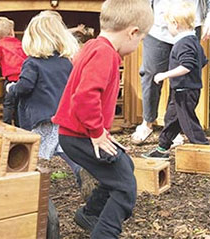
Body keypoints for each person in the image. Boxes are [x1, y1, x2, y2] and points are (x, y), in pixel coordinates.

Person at [52, 0, 153, 237]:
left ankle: (90, 214)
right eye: (141, 40)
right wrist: (97, 133)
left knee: (123, 165)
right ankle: (105, 233)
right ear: (132, 32)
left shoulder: (93, 46)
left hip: (75, 134)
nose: (139, 45)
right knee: (125, 187)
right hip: (81, 135)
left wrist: (99, 132)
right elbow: (85, 97)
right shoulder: (104, 54)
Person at [6, 10, 95, 199]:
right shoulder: (65, 62)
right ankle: (83, 172)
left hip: (41, 119)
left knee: (35, 155)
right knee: (66, 151)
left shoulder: (32, 63)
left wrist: (11, 89)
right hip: (62, 117)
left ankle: (32, 192)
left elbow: (24, 87)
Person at [131, 0, 210, 145]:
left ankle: (172, 129)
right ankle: (147, 122)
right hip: (157, 24)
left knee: (181, 83)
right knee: (151, 74)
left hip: (190, 23)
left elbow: (192, 65)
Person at [0, 16, 27, 126]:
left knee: (8, 105)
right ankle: (19, 127)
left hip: (11, 80)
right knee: (19, 105)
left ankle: (6, 126)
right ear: (12, 32)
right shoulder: (19, 43)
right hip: (23, 79)